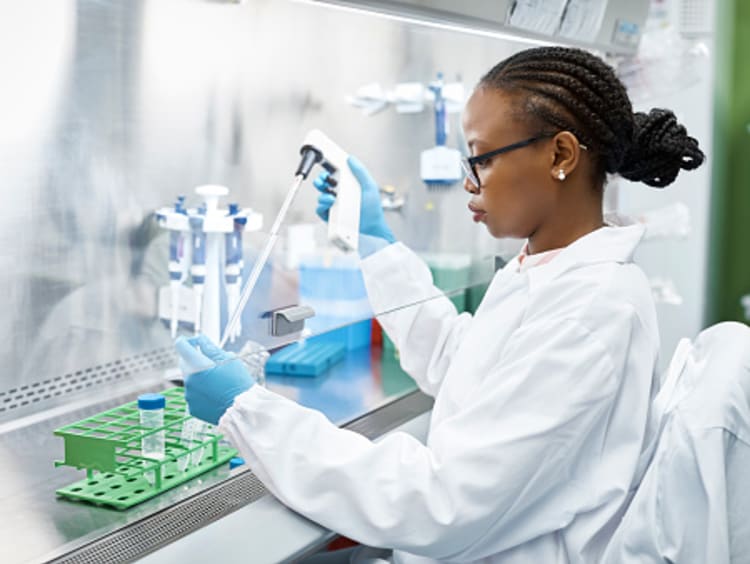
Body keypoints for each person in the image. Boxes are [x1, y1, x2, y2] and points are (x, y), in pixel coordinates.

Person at [175, 46, 705, 563]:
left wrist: (247, 411)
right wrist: (377, 246)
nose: (469, 183)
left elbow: (441, 506)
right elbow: (465, 366)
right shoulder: (547, 270)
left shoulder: (592, 310)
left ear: (560, 155)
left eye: (483, 158)